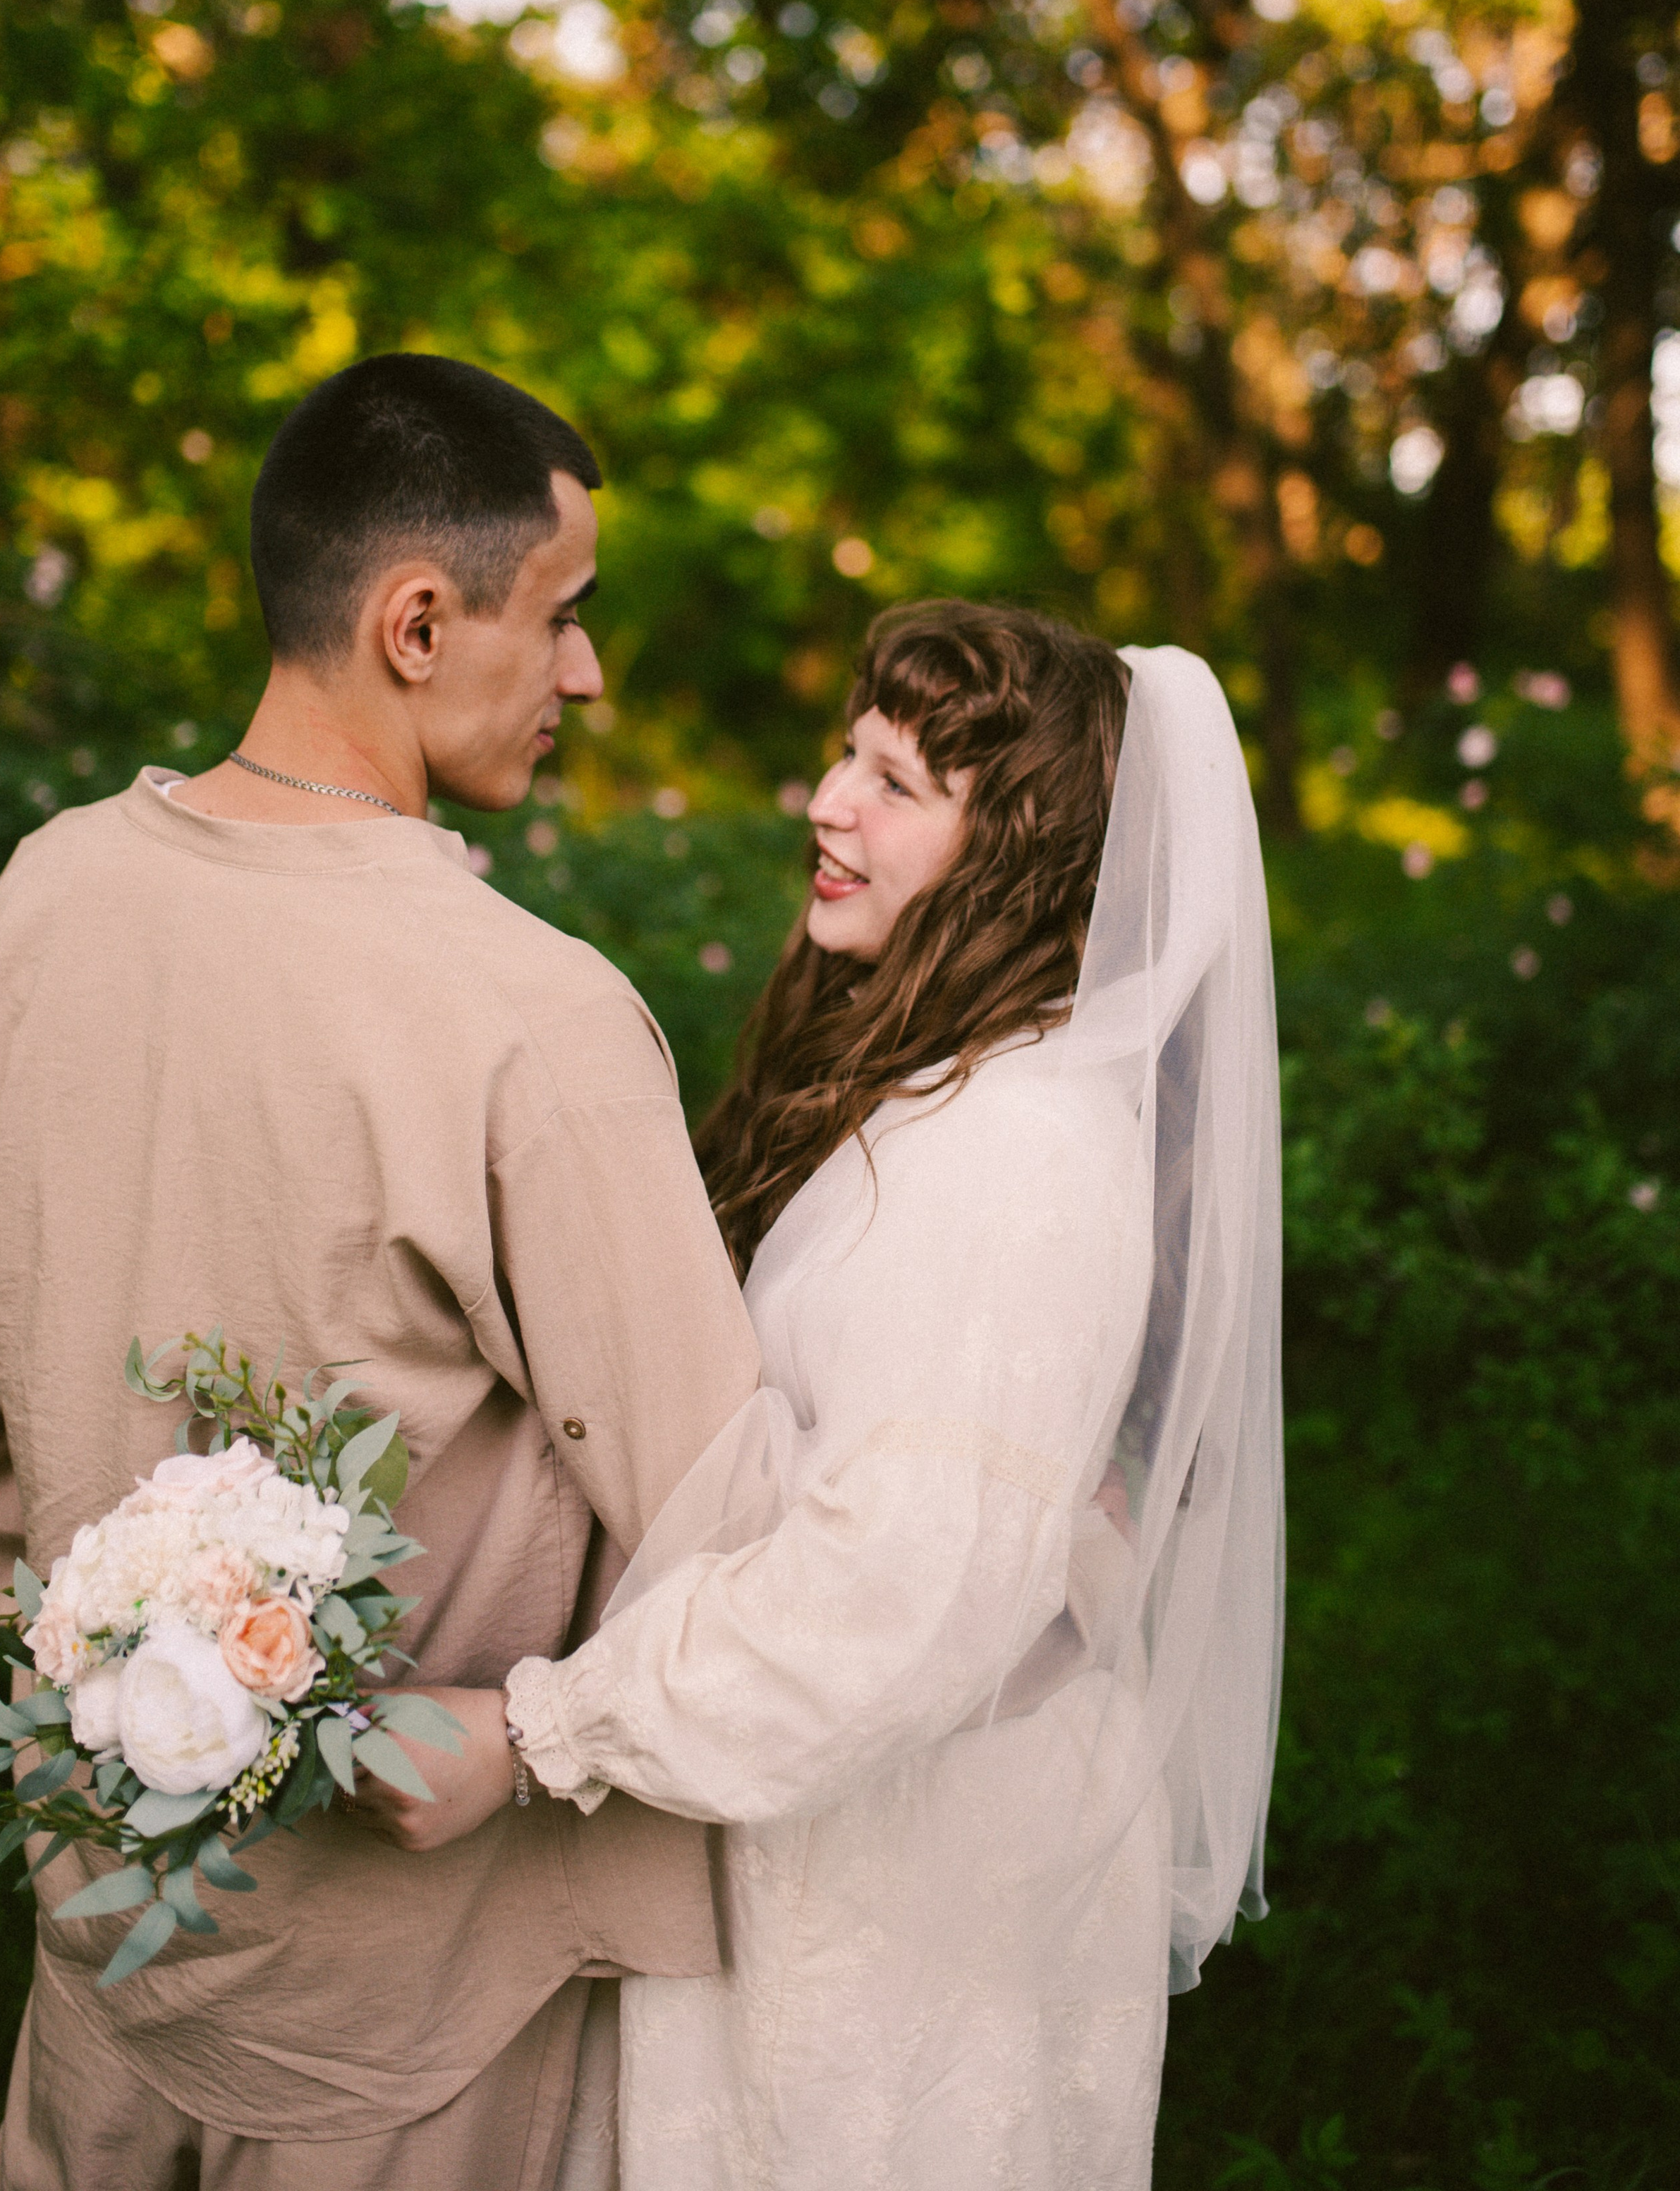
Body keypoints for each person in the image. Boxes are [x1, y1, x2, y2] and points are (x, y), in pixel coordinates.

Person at [0, 353, 760, 2191]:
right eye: (569, 616)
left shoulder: (44, 898)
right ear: (420, 621)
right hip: (416, 2003)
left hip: (110, 1916)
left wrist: (127, 1709)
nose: (590, 675)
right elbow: (720, 1518)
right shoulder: (537, 1018)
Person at [492, 601, 1285, 2191]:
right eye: (843, 753)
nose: (825, 802)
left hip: (913, 1888)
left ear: (1023, 853)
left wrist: (542, 1732)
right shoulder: (943, 1084)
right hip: (857, 1828)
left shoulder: (1018, 1154)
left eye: (893, 778)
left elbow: (894, 1588)